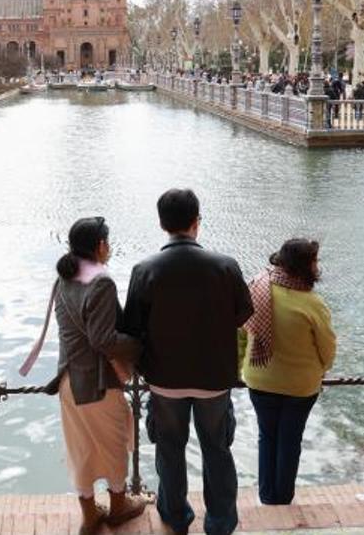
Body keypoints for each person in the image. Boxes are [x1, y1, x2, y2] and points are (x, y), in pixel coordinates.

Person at [121, 189, 253, 535]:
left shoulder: (144, 269)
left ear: (162, 224)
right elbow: (242, 314)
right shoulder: (226, 266)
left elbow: (131, 328)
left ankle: (174, 514)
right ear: (197, 222)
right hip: (214, 378)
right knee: (216, 450)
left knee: (169, 449)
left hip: (165, 378)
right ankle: (221, 522)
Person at [20, 217, 146, 534]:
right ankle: (119, 507)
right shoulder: (101, 283)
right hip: (97, 383)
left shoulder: (64, 277)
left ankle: (90, 516)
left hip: (68, 380)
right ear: (100, 246)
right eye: (109, 241)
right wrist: (138, 345)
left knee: (81, 450)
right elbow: (103, 340)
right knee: (114, 444)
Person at [239, 239, 335, 505]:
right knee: (290, 440)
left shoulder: (257, 288)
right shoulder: (314, 303)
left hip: (260, 379)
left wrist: (240, 366)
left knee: (267, 437)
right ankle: (283, 499)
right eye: (315, 261)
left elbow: (241, 332)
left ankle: (267, 497)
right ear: (305, 266)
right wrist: (322, 369)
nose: (318, 266)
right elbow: (328, 350)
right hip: (300, 387)